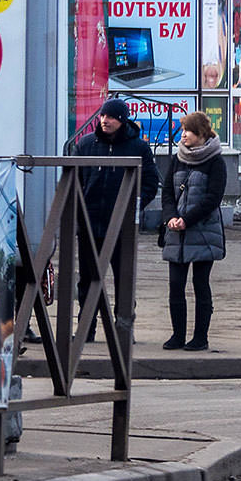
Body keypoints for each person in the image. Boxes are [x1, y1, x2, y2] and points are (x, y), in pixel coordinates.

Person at [73, 98, 161, 321]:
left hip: (122, 224)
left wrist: (133, 206)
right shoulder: (86, 144)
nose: (105, 120)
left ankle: (123, 326)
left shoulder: (138, 147)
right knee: (87, 279)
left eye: (110, 117)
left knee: (123, 278)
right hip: (90, 223)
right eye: (103, 116)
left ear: (122, 120)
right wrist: (78, 210)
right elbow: (73, 181)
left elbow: (150, 182)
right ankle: (87, 327)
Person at [160, 110, 226, 351]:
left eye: (188, 130)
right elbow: (167, 192)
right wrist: (171, 217)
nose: (184, 135)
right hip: (176, 231)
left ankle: (200, 337)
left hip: (204, 232)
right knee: (175, 285)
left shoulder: (215, 161)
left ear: (200, 133)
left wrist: (186, 219)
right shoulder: (178, 158)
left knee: (200, 284)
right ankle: (177, 335)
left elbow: (212, 198)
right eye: (183, 130)